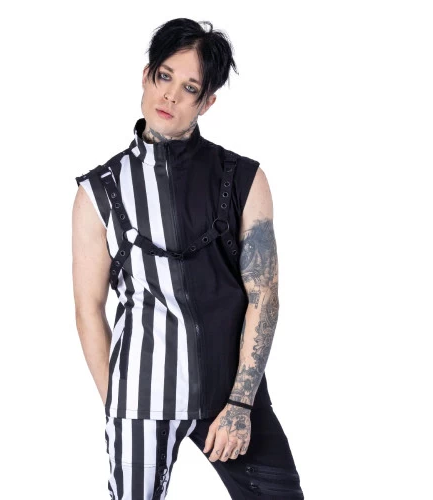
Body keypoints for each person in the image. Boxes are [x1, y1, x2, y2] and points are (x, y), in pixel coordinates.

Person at [72, 17, 304, 500]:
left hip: (231, 394)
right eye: (164, 76)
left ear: (207, 102)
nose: (171, 96)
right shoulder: (98, 192)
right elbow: (89, 308)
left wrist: (241, 403)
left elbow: (265, 295)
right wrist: (121, 404)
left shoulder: (245, 178)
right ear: (146, 75)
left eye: (190, 87)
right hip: (140, 396)